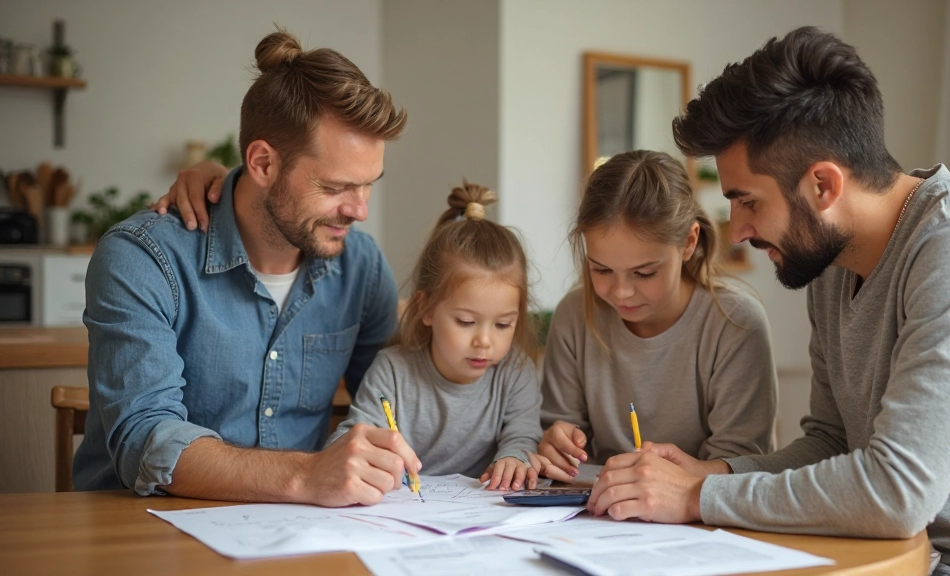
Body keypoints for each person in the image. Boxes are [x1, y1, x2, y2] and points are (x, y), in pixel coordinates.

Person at [588, 27, 950, 576]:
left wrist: (697, 498)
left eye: (746, 201)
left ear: (823, 185)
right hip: (896, 558)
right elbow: (831, 442)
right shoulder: (830, 263)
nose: (739, 231)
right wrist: (710, 473)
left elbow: (897, 492)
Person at [74, 28, 424, 508]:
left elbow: (398, 398)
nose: (359, 211)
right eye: (336, 187)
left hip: (298, 534)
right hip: (140, 529)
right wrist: (306, 475)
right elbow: (145, 439)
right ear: (262, 163)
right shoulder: (142, 258)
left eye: (368, 186)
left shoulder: (360, 269)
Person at [537, 150, 777, 483]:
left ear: (688, 242)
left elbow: (740, 464)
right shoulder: (574, 316)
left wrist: (670, 486)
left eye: (644, 273)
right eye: (602, 269)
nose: (621, 292)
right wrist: (555, 443)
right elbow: (557, 432)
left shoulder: (735, 322)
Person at [331, 182, 543, 492]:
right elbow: (350, 439)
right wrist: (359, 455)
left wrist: (514, 458)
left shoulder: (516, 373)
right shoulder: (392, 370)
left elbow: (523, 437)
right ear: (426, 308)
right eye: (466, 321)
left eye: (503, 325)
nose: (484, 341)